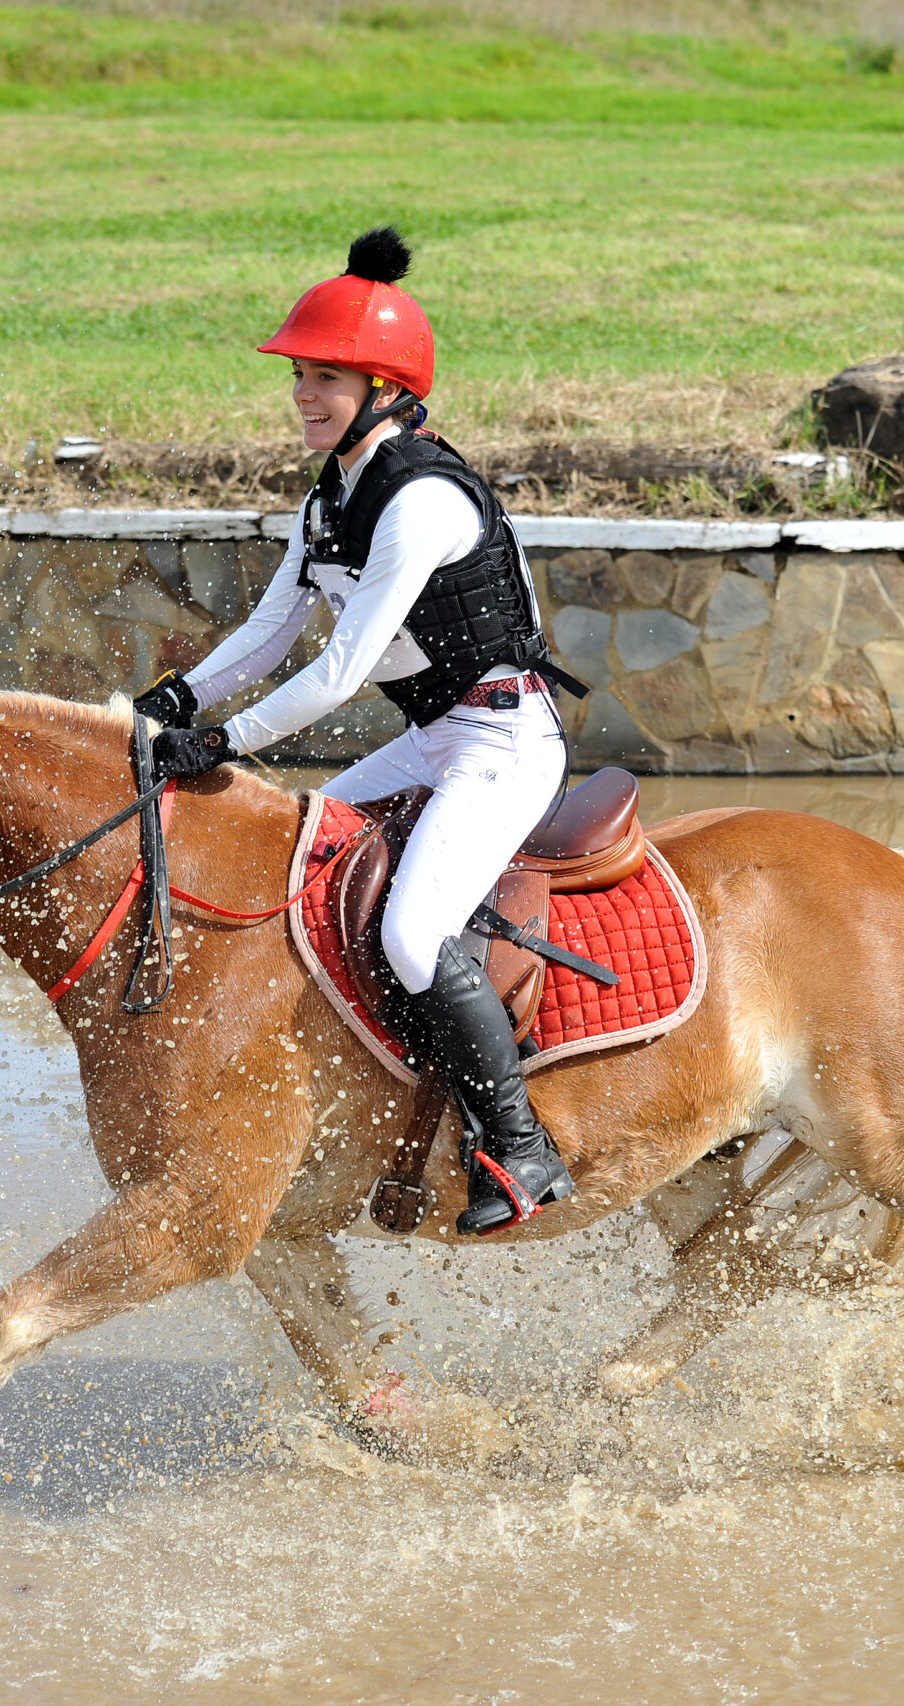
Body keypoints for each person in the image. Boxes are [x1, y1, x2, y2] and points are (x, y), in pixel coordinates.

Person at [134, 227, 584, 1236]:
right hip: (435, 735)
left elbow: (338, 671)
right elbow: (266, 631)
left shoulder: (419, 499)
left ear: (385, 386)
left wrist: (228, 741)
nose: (302, 394)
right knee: (292, 869)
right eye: (299, 375)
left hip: (506, 743)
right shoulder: (327, 497)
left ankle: (517, 1144)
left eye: (324, 378)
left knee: (410, 931)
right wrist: (174, 700)